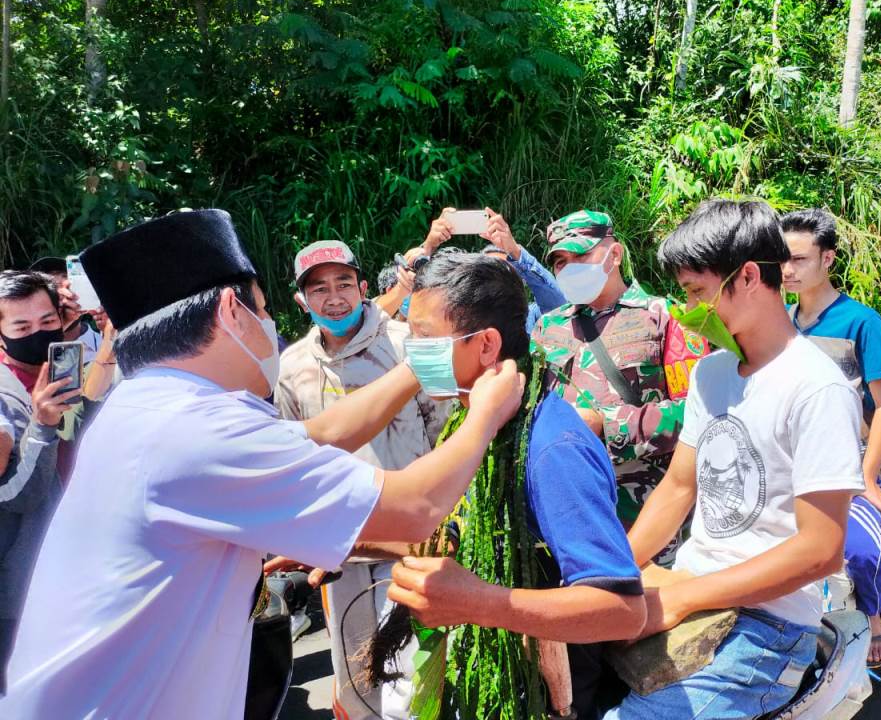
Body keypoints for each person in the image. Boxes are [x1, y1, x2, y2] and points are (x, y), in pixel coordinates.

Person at [3, 209, 525, 719]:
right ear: (232, 311)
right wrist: (484, 413)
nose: (271, 325)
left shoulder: (150, 406)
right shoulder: (195, 432)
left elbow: (325, 433)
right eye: (264, 310)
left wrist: (419, 361)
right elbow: (415, 507)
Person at [594, 198, 865, 720]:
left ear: (745, 278)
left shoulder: (816, 388)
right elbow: (677, 488)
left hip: (770, 626)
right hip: (692, 589)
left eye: (697, 292)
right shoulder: (711, 374)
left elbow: (820, 550)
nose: (689, 310)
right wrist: (616, 573)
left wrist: (685, 598)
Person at [386, 252, 646, 719]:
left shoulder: (551, 447)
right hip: (486, 682)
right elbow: (462, 530)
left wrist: (478, 603)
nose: (411, 352)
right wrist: (350, 542)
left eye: (423, 338)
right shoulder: (475, 421)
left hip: (541, 700)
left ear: (486, 345)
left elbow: (622, 609)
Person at [274, 239, 445, 720]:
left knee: (412, 678)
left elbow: (442, 432)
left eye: (344, 284)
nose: (334, 298)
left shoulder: (408, 344)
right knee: (355, 678)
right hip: (341, 549)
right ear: (301, 301)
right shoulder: (292, 368)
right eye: (319, 288)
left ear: (364, 288)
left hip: (410, 540)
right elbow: (297, 457)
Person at [531, 210, 704, 545]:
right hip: (567, 508)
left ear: (614, 254)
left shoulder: (665, 319)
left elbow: (696, 414)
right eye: (560, 261)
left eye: (580, 255)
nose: (569, 268)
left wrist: (607, 425)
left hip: (645, 517)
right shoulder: (546, 328)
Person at [781, 208, 881, 663]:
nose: (788, 270)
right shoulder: (783, 324)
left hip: (851, 460)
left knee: (858, 552)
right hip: (795, 461)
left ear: (828, 259)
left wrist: (867, 477)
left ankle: (873, 617)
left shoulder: (860, 322)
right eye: (782, 260)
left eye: (799, 259)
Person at [0, 272, 79, 694]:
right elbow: (15, 496)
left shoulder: (65, 365)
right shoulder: (4, 392)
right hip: (20, 598)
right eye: (21, 327)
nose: (37, 334)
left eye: (47, 320)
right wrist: (42, 426)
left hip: (69, 575)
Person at [27, 257, 104, 368]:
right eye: (51, 290)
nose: (63, 298)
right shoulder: (22, 357)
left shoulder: (108, 343)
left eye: (70, 287)